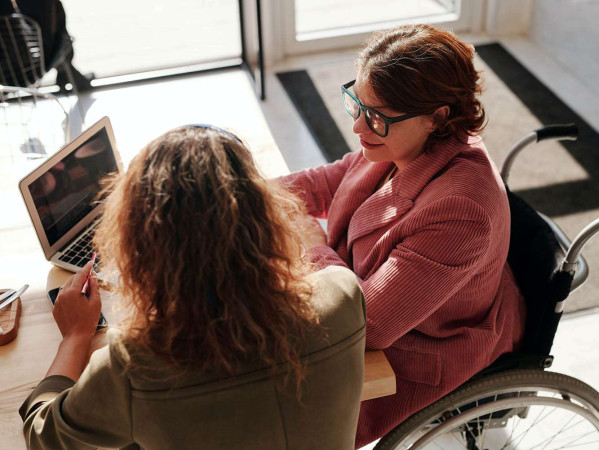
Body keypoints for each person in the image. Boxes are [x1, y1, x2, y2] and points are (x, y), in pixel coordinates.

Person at [20, 125, 367, 449]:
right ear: (266, 216)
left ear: (141, 244)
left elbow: (43, 436)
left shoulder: (134, 365)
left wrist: (76, 336)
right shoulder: (343, 293)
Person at [279, 24, 527, 447]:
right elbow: (327, 181)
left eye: (374, 116)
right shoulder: (400, 139)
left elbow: (368, 325)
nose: (358, 127)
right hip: (381, 300)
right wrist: (236, 191)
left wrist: (312, 243)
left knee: (276, 403)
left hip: (417, 353)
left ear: (438, 117)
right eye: (355, 103)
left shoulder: (461, 210)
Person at [0, 0, 92, 91]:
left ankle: (66, 73)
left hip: (3, 75)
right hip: (28, 69)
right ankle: (66, 71)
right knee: (54, 13)